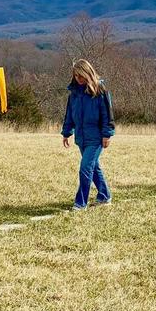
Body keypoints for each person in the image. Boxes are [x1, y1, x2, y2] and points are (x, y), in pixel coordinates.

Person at [61, 59, 115, 210]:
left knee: (85, 168)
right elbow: (69, 115)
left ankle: (80, 203)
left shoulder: (100, 90)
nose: (78, 79)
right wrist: (66, 132)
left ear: (88, 73)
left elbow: (107, 114)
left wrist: (107, 134)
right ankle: (104, 196)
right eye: (76, 76)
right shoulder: (74, 94)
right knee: (93, 167)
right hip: (81, 138)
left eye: (81, 76)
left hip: (96, 138)